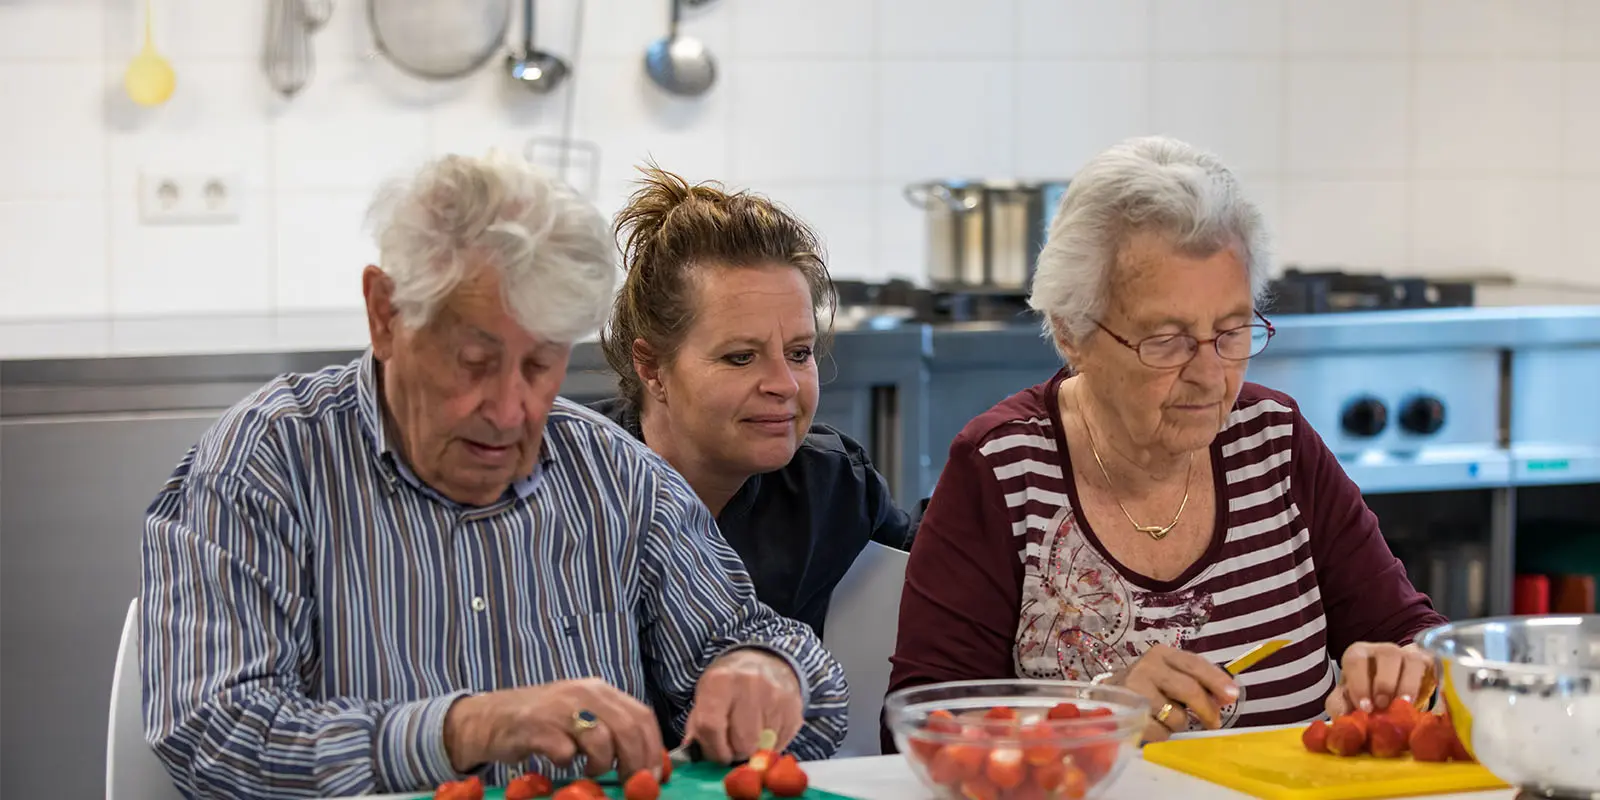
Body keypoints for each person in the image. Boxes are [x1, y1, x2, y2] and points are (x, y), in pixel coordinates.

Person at [140, 152, 848, 800]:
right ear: (385, 316)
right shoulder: (269, 463)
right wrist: (462, 731)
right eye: (474, 363)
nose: (510, 410)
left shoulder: (613, 476)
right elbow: (214, 735)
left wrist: (766, 669)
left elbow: (788, 666)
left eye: (540, 366)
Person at [885, 136, 1447, 747]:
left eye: (1231, 331)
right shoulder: (1004, 469)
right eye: (1166, 339)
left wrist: (1409, 666)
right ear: (1072, 332)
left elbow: (1407, 633)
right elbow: (920, 735)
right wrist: (1095, 718)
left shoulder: (1273, 442)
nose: (1210, 375)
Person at [588, 166, 916, 639]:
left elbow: (938, 569)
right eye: (741, 358)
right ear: (652, 367)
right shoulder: (576, 489)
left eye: (799, 353)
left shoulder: (830, 489)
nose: (784, 384)